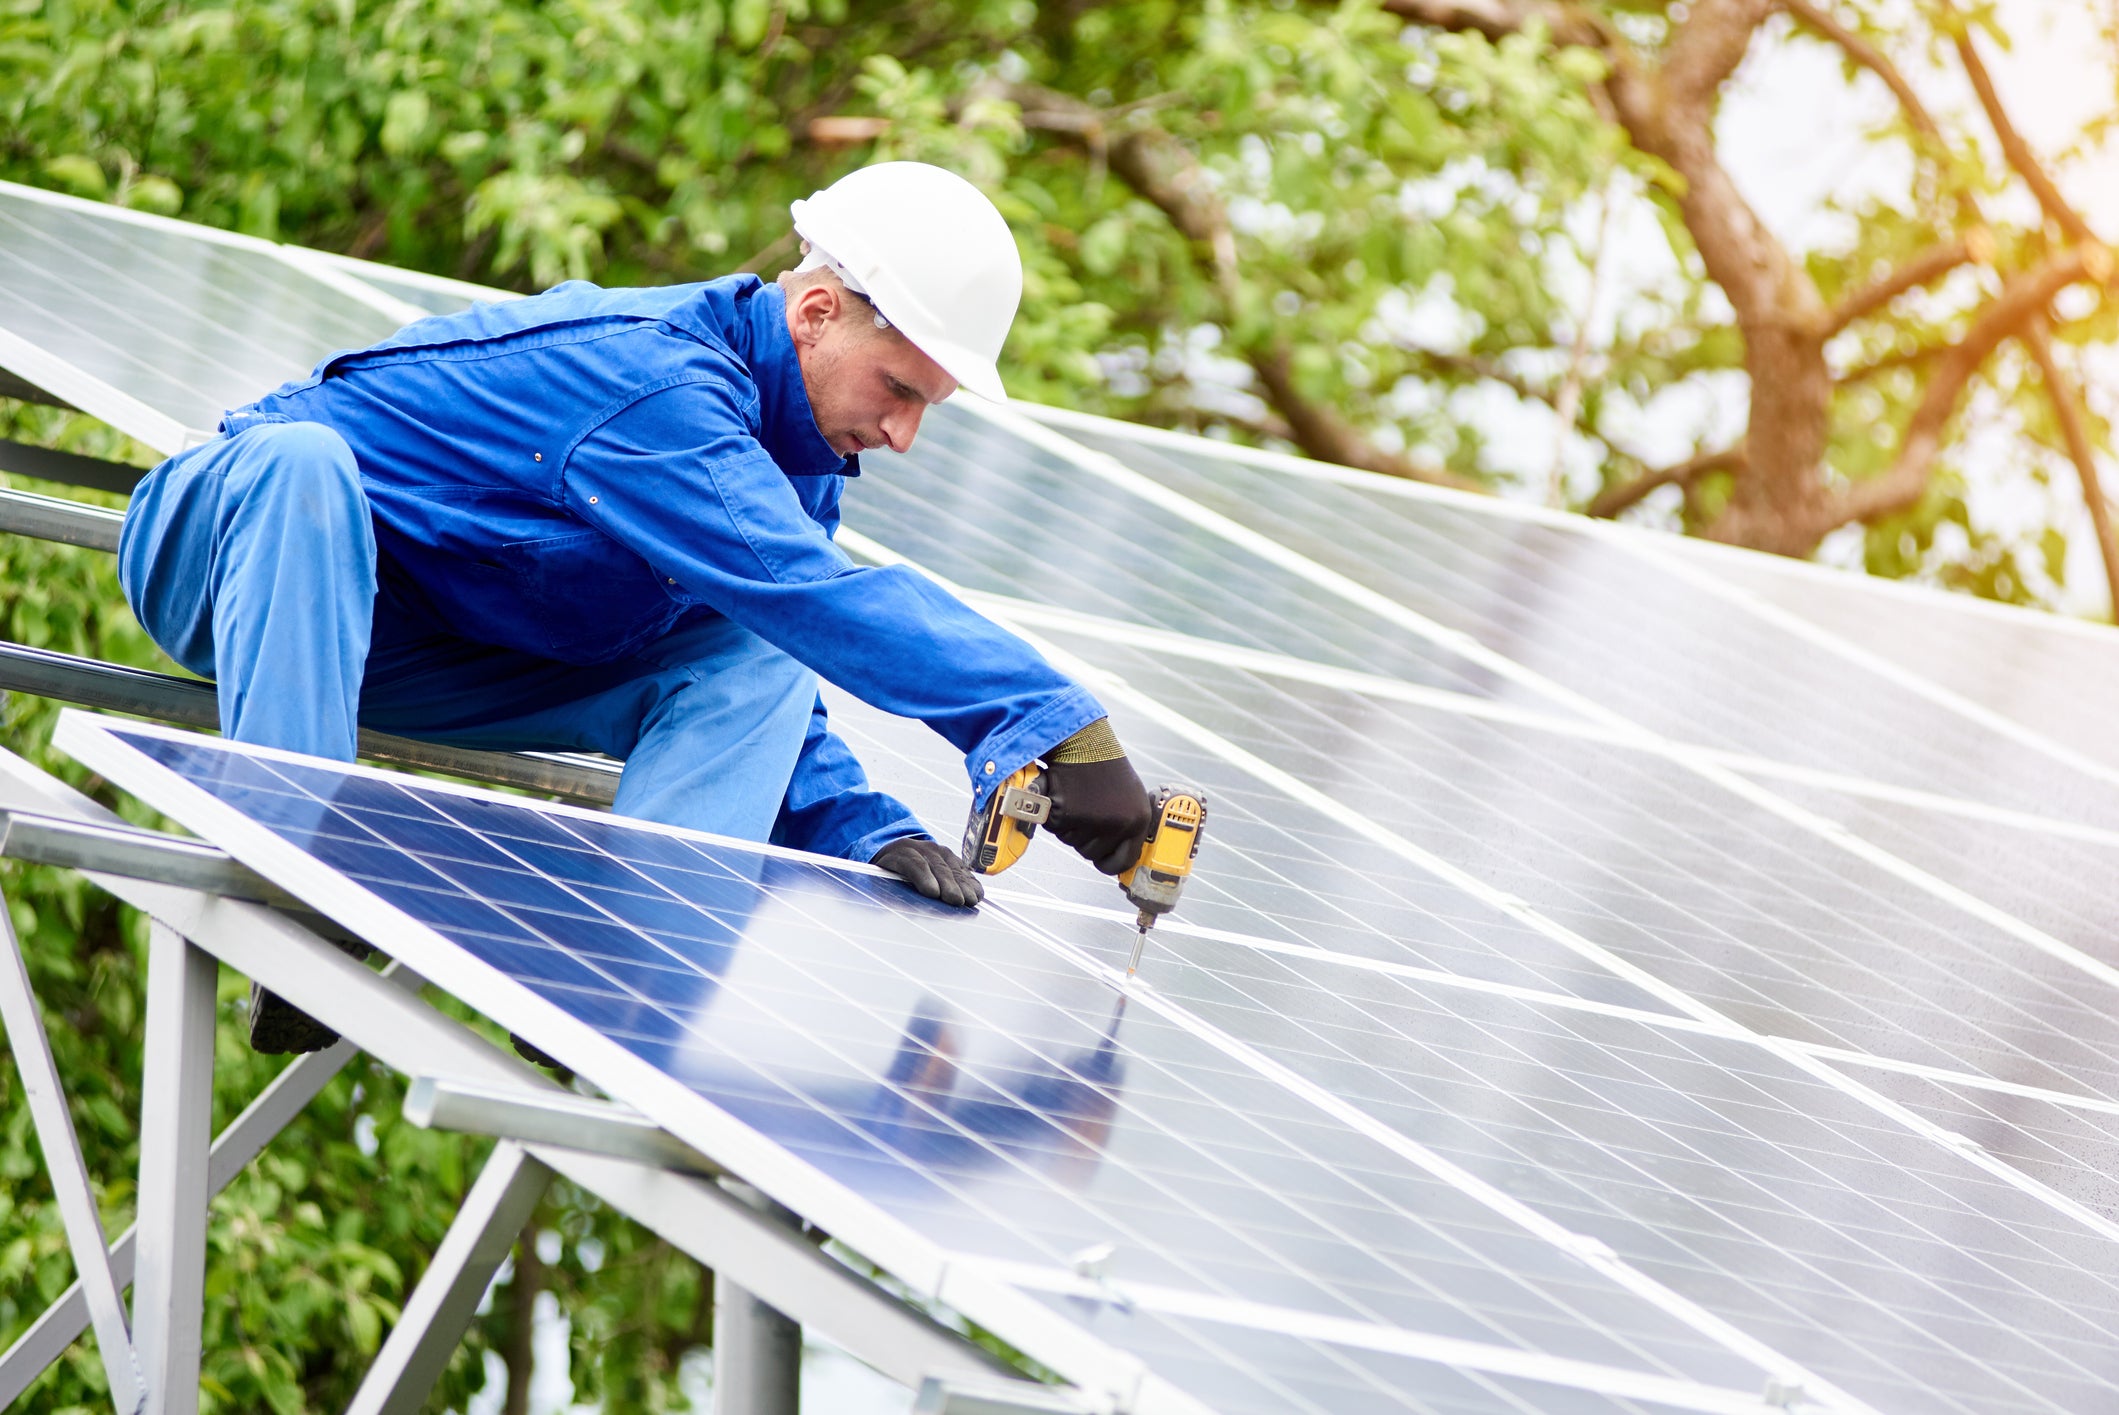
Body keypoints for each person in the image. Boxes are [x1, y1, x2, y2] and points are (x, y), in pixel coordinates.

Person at [116, 161, 1156, 1052]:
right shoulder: (657, 382)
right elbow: (817, 591)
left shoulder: (798, 465)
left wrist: (859, 825)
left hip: (419, 644)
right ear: (816, 311)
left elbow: (760, 638)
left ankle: (621, 984)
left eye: (928, 407)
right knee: (305, 467)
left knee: (755, 649)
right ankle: (302, 883)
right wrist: (1054, 721)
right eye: (898, 390)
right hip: (235, 559)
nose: (903, 433)